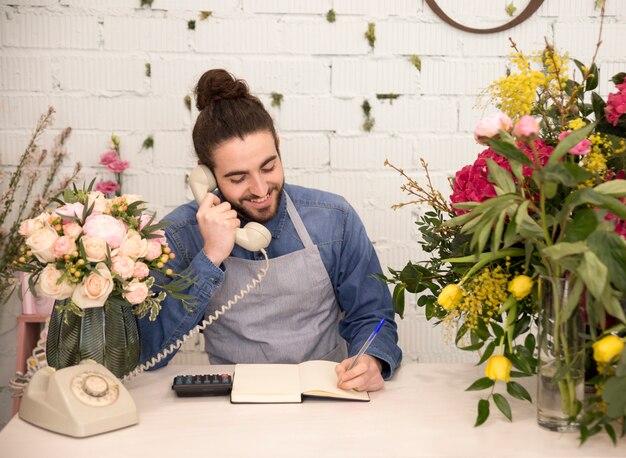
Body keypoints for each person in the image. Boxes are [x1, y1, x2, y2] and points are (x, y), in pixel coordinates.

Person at [138, 69, 402, 392]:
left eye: (269, 166)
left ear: (278, 146)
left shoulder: (335, 219)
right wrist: (209, 258)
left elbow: (374, 315)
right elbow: (150, 353)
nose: (261, 188)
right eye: (238, 178)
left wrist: (372, 359)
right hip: (231, 404)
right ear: (206, 176)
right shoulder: (182, 234)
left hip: (327, 396)